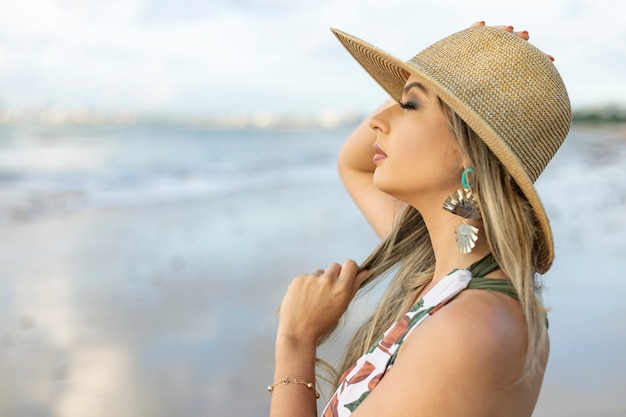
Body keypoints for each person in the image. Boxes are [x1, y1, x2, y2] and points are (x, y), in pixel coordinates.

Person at [267, 21, 571, 417]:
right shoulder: (440, 269)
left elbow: (353, 164)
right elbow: (354, 164)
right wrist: (458, 61)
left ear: (470, 145)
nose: (378, 120)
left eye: (408, 104)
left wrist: (295, 340)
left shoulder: (468, 329)